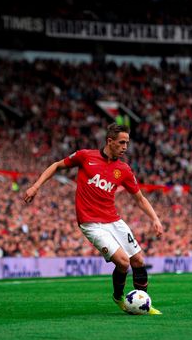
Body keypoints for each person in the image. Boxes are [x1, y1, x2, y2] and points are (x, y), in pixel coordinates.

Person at [24, 123, 163, 315]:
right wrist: (36, 186)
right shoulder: (85, 156)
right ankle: (118, 297)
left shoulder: (123, 169)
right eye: (122, 142)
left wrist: (155, 218)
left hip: (113, 220)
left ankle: (144, 304)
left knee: (138, 260)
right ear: (110, 141)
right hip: (91, 223)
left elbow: (139, 198)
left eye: (127, 143)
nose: (125, 147)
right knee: (123, 262)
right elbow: (56, 166)